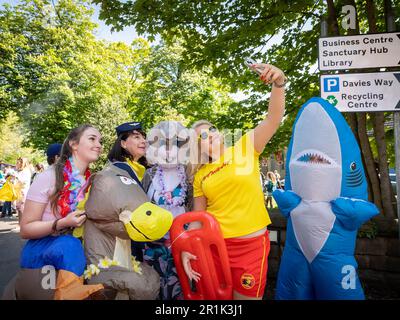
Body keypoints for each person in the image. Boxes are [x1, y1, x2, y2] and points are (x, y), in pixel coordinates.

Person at [183, 63, 286, 300]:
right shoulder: (200, 175)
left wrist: (278, 83)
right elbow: (200, 220)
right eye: (203, 136)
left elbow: (273, 119)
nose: (212, 135)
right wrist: (188, 249)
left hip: (250, 247)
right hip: (214, 247)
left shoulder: (245, 147)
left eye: (212, 129)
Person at [17, 124, 104, 299]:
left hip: (78, 251)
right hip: (42, 249)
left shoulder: (91, 180)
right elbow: (25, 229)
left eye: (100, 141)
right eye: (92, 139)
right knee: (68, 244)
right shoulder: (48, 177)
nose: (99, 145)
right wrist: (62, 223)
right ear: (74, 144)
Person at [107, 121, 148, 262]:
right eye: (136, 137)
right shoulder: (120, 169)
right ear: (123, 144)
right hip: (126, 240)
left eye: (143, 137)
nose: (143, 141)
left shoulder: (141, 169)